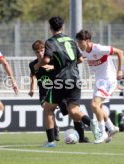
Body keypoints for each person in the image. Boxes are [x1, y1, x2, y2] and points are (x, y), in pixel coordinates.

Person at [34, 16, 99, 147]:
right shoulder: (71, 40)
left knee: (48, 109)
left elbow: (46, 60)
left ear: (51, 28)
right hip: (75, 79)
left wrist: (38, 65)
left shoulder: (50, 42)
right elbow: (81, 59)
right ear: (62, 26)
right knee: (74, 111)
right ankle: (90, 121)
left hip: (60, 81)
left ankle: (51, 142)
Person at [76, 29, 124, 144]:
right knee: (98, 107)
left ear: (87, 41)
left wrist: (120, 71)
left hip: (108, 80)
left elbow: (120, 52)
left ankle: (102, 133)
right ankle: (111, 128)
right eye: (77, 43)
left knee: (94, 104)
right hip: (99, 81)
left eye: (80, 43)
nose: (78, 45)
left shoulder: (99, 48)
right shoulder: (84, 51)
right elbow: (81, 58)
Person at [28, 40, 60, 141]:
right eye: (38, 52)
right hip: (43, 91)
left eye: (42, 50)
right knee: (46, 108)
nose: (40, 53)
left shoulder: (51, 60)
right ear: (35, 52)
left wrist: (52, 67)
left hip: (56, 89)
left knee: (65, 110)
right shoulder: (33, 64)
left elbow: (61, 68)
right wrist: (32, 88)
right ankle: (55, 129)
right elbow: (32, 75)